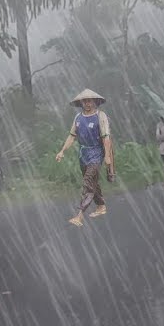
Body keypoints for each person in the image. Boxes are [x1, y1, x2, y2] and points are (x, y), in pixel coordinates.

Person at [55, 89, 115, 227]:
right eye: (85, 101)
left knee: (88, 182)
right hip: (83, 154)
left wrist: (107, 156)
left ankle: (79, 215)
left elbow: (106, 138)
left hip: (96, 152)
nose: (87, 103)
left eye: (90, 101)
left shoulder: (100, 116)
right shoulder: (78, 118)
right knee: (93, 181)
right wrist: (62, 151)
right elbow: (72, 136)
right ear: (81, 103)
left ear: (95, 102)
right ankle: (101, 206)